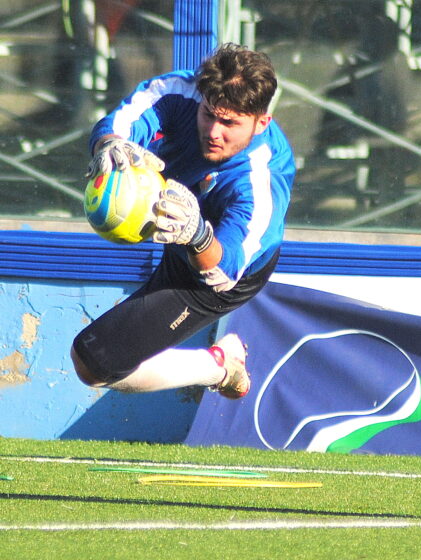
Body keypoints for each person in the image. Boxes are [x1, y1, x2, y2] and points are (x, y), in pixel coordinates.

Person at [70, 43, 295, 399]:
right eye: (209, 115)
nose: (214, 132)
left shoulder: (259, 180)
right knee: (96, 360)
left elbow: (225, 270)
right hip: (179, 225)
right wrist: (110, 144)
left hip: (220, 270)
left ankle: (219, 365)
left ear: (261, 122)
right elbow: (125, 119)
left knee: (93, 363)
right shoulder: (182, 92)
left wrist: (197, 235)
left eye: (230, 123)